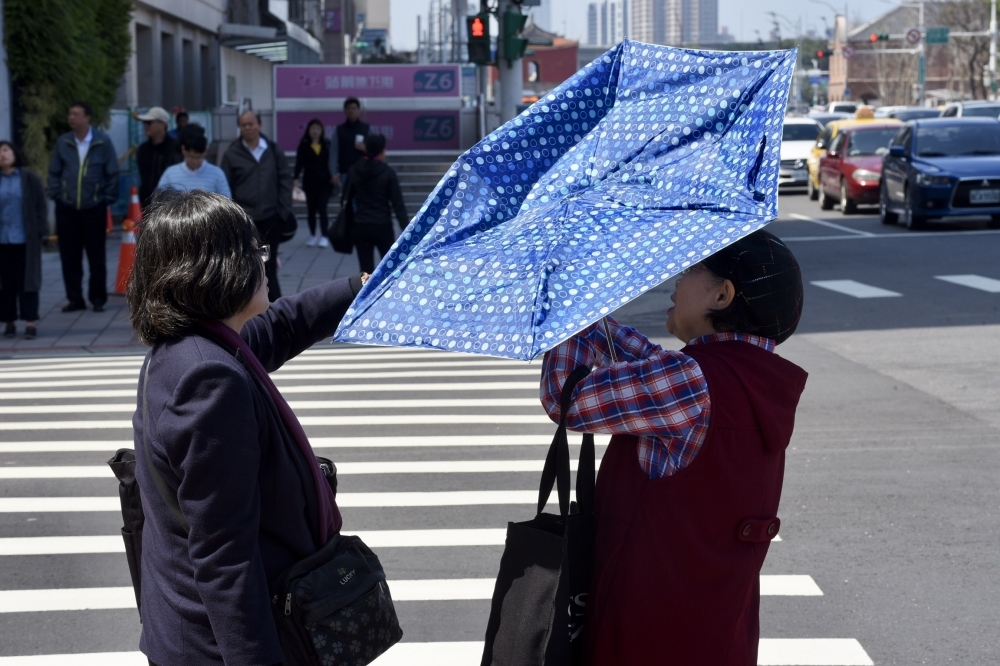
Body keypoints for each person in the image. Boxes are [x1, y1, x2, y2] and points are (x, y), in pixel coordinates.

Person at [540, 230, 808, 666]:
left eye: (689, 271)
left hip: (645, 633)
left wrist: (570, 303)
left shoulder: (691, 383)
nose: (674, 283)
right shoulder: (751, 380)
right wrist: (588, 315)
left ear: (722, 295)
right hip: (714, 634)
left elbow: (564, 400)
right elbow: (648, 363)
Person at [126, 190, 369, 666]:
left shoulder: (193, 345)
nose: (264, 261)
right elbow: (223, 557)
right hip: (214, 648)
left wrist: (360, 286)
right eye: (253, 250)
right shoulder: (208, 378)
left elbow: (281, 326)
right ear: (216, 268)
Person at [47, 101, 120, 313]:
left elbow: (112, 173)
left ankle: (98, 298)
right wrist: (57, 196)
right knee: (70, 256)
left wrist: (106, 199)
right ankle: (75, 298)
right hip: (67, 208)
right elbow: (54, 172)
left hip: (94, 207)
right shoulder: (64, 142)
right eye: (70, 114)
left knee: (96, 256)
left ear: (87, 117)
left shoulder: (102, 142)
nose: (71, 118)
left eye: (76, 114)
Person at [220, 110, 293, 302]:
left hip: (271, 218)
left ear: (259, 125)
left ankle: (275, 308)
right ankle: (249, 307)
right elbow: (227, 187)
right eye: (244, 125)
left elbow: (285, 179)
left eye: (251, 123)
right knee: (247, 266)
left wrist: (283, 211)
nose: (248, 127)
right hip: (246, 221)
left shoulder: (272, 150)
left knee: (268, 265)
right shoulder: (232, 154)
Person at [0, 141, 47, 340]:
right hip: (3, 240)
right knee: (5, 283)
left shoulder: (28, 178)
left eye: (5, 150)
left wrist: (39, 231)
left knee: (28, 281)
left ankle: (30, 322)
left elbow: (40, 206)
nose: (2, 155)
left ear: (14, 152)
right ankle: (9, 322)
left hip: (25, 240)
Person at [344, 134, 407, 274]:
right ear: (382, 150)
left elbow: (346, 200)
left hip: (361, 225)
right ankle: (387, 295)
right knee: (389, 268)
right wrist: (406, 229)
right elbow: (398, 204)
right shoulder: (388, 172)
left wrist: (351, 224)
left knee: (365, 272)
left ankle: (366, 295)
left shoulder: (354, 170)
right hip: (382, 225)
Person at [293, 119, 335, 248]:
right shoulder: (304, 145)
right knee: (311, 210)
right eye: (312, 128)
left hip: (325, 182)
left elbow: (333, 161)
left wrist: (335, 175)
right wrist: (295, 178)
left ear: (321, 131)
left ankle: (324, 236)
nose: (315, 131)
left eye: (318, 128)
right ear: (308, 130)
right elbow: (299, 163)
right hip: (309, 182)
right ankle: (312, 235)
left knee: (322, 209)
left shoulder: (327, 144)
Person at [156, 126, 231, 197]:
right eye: (191, 157)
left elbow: (227, 202)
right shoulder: (170, 174)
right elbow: (157, 199)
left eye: (199, 157)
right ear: (183, 150)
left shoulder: (217, 174)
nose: (195, 161)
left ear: (206, 151)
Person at [136, 107, 180, 209]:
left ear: (162, 124)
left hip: (170, 203)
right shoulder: (143, 149)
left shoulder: (176, 148)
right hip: (147, 203)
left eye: (149, 122)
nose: (145, 125)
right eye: (144, 123)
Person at [331, 97, 369, 193]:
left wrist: (365, 148)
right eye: (348, 108)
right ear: (344, 111)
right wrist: (333, 173)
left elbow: (375, 151)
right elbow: (334, 152)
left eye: (354, 108)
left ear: (359, 110)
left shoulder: (366, 128)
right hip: (345, 172)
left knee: (362, 202)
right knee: (348, 202)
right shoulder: (339, 130)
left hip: (363, 172)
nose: (351, 111)